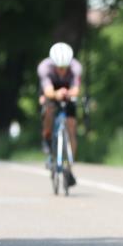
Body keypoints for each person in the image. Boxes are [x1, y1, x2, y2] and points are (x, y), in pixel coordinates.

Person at [37, 42, 82, 186]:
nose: (62, 70)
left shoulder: (76, 67)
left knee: (71, 126)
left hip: (68, 92)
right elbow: (48, 90)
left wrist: (68, 93)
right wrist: (55, 94)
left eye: (65, 67)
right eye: (59, 67)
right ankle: (47, 136)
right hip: (51, 90)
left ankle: (68, 166)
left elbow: (76, 89)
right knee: (48, 109)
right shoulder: (44, 68)